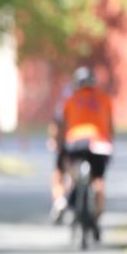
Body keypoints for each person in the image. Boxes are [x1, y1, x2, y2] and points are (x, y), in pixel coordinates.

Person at [61, 66, 114, 240]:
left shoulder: (71, 99)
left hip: (75, 142)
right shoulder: (104, 99)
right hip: (100, 144)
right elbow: (110, 126)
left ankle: (67, 197)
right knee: (98, 181)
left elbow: (65, 124)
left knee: (70, 170)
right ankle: (96, 217)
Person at [48, 83, 72, 224]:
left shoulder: (67, 100)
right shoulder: (93, 100)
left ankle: (60, 201)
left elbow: (57, 122)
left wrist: (54, 140)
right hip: (91, 144)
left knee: (59, 174)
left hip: (68, 144)